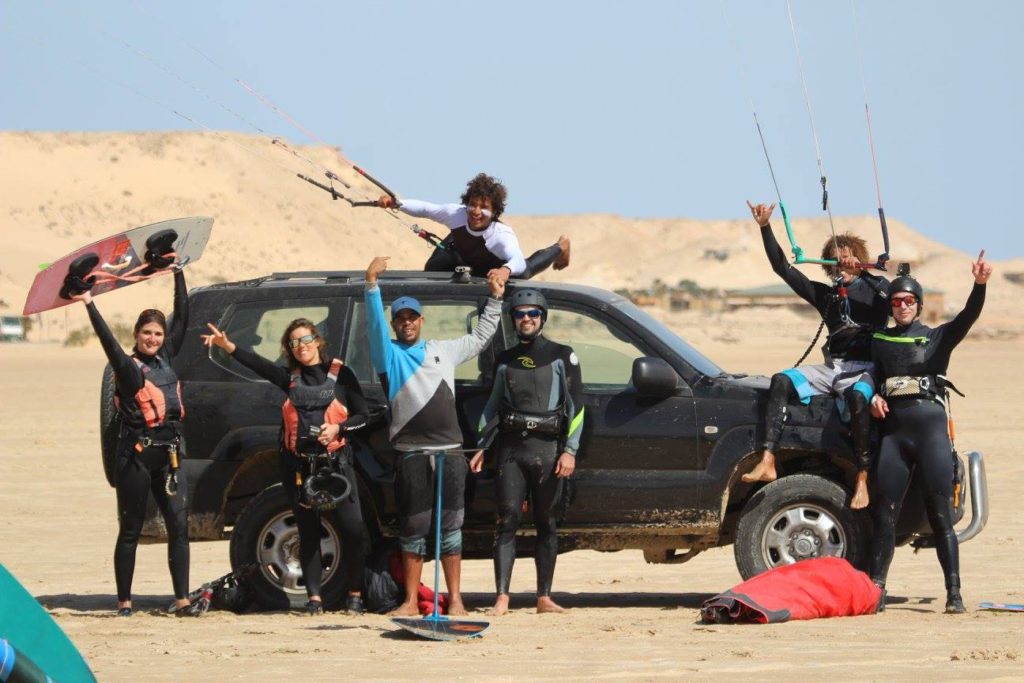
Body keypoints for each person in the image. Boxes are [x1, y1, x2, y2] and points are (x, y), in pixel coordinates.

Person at [364, 255, 505, 616]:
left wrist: (496, 299)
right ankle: (410, 602)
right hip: (412, 454)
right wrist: (371, 285)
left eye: (412, 318)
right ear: (395, 324)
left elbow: (480, 338)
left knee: (451, 528)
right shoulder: (388, 356)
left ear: (421, 321)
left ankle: (456, 600)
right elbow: (374, 331)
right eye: (400, 319)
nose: (406, 323)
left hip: (451, 453)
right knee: (413, 528)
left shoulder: (443, 349)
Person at [202, 319, 370, 615]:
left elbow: (363, 415)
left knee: (354, 530)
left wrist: (338, 429)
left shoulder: (342, 374)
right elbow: (258, 365)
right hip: (300, 469)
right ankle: (314, 599)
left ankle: (355, 594)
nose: (301, 347)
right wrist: (228, 346)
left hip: (336, 468)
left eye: (305, 340)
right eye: (294, 343)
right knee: (308, 533)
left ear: (317, 341)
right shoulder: (289, 378)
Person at [743, 201, 889, 510]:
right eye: (836, 260)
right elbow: (782, 268)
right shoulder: (826, 295)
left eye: (848, 257)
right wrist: (765, 227)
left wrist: (868, 273)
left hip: (863, 369)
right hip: (832, 368)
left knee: (857, 399)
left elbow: (895, 292)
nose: (843, 263)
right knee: (782, 380)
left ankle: (862, 477)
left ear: (859, 260)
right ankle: (768, 458)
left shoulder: (876, 290)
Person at [867, 251, 991, 614]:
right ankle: (877, 591)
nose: (902, 306)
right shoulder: (880, 340)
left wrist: (979, 284)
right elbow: (871, 376)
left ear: (918, 305)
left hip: (931, 434)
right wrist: (873, 394)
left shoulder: (937, 338)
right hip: (895, 437)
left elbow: (968, 316)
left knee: (940, 516)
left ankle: (954, 594)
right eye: (896, 301)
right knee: (884, 515)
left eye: (908, 300)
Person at [70, 269, 197, 617]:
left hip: (169, 457)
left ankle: (182, 600)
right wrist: (88, 303)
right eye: (147, 333)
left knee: (179, 527)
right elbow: (108, 342)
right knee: (131, 529)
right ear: (137, 335)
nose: (153, 338)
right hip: (136, 459)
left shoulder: (167, 358)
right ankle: (125, 601)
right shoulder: (129, 369)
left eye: (158, 333)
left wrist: (179, 271)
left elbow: (183, 315)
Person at [470, 289, 584, 615]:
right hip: (511, 451)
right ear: (513, 319)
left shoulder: (562, 355)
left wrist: (570, 451)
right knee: (506, 521)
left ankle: (543, 597)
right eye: (520, 314)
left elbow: (577, 407)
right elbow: (491, 407)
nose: (526, 319)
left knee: (546, 523)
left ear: (542, 317)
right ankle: (502, 598)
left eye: (533, 314)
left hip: (549, 450)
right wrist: (482, 447)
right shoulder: (504, 360)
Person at [376, 172, 571, 281]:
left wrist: (505, 271)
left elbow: (517, 260)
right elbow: (426, 209)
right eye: (473, 205)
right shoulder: (457, 214)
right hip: (459, 249)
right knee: (433, 269)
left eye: (484, 207)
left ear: (494, 212)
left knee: (524, 272)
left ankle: (561, 246)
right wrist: (396, 204)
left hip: (492, 264)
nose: (476, 211)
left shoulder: (501, 235)